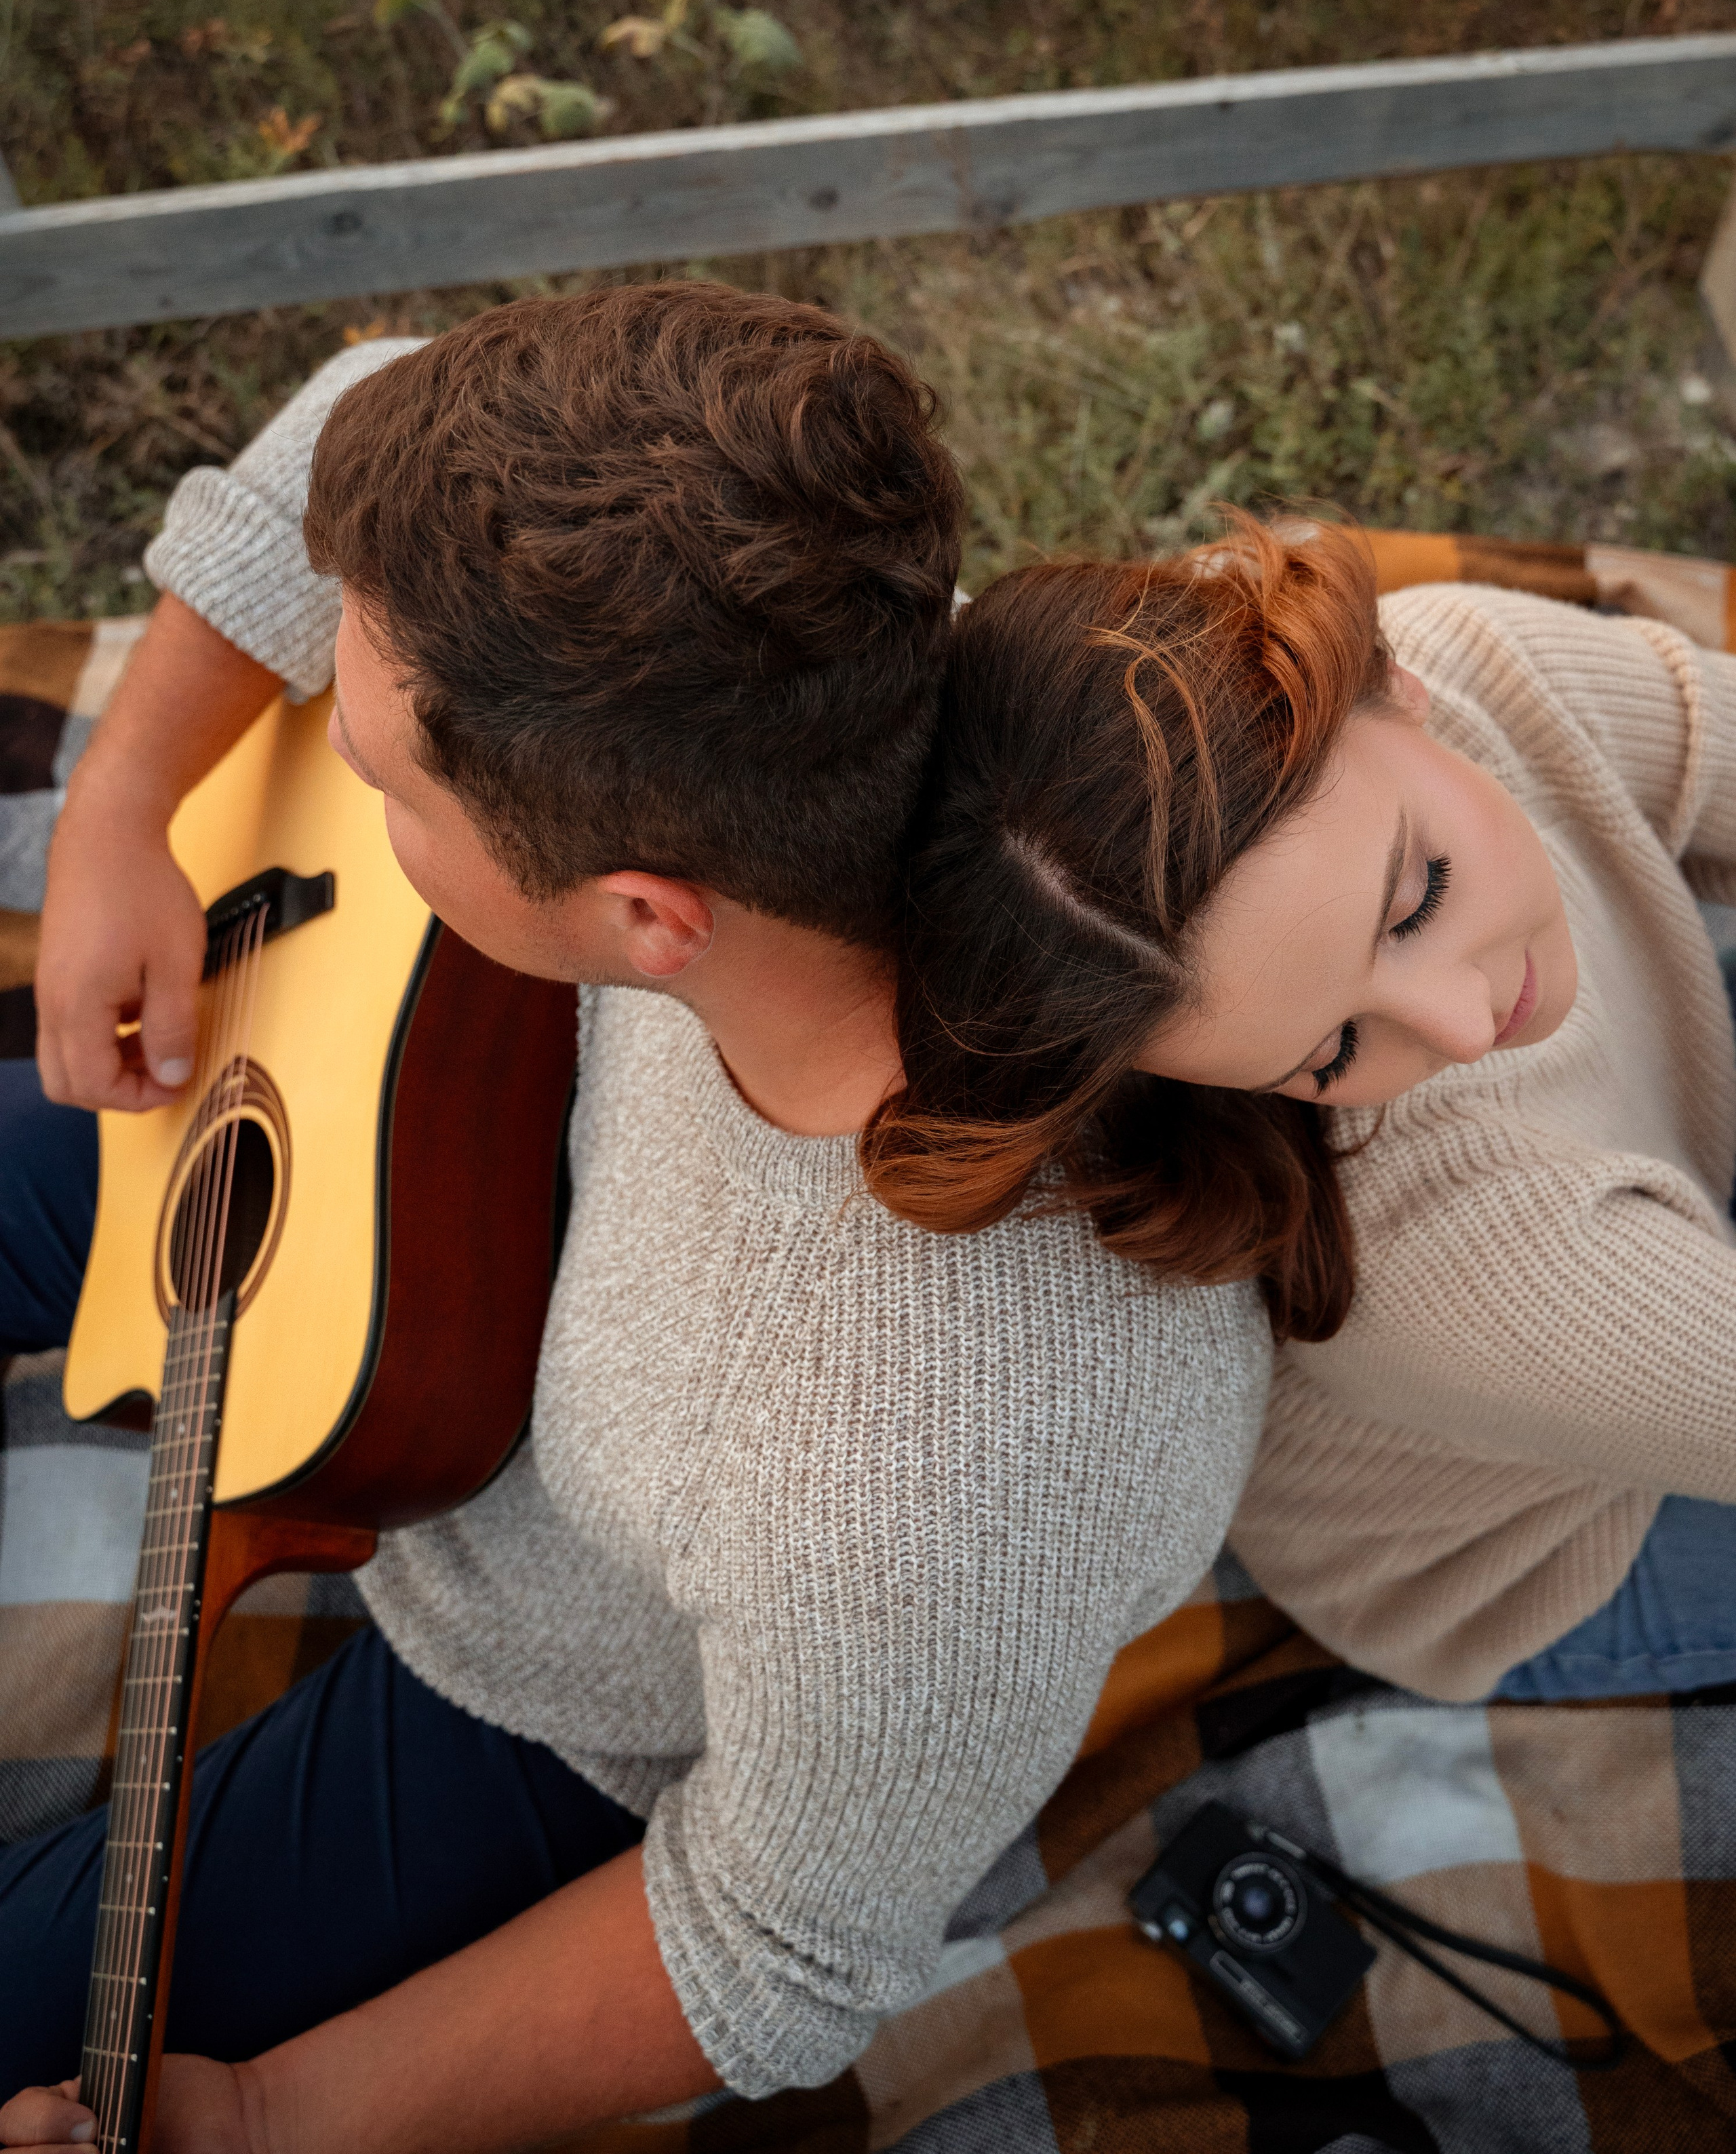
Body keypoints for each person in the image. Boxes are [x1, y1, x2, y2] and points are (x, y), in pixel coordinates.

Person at [0, 286, 1271, 2153]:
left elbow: (777, 1939)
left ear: (644, 915)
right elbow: (375, 397)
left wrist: (263, 2116)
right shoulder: (813, 621)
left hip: (539, 1691)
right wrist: (122, 804)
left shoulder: (928, 1475)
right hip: (414, 1137)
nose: (334, 767)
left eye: (386, 781)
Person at [866, 511, 1736, 1709]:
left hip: (1673, 1156)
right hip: (1559, 1546)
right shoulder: (1454, 1262)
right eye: (1332, 1054)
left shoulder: (1480, 664)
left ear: (1392, 685)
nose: (1463, 1026)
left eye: (1418, 898)